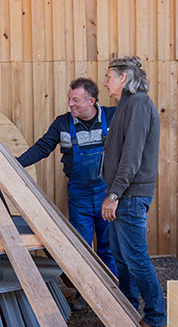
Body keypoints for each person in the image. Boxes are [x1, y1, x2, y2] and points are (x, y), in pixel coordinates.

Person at [17, 78, 118, 311]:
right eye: (69, 99)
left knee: (108, 248)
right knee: (81, 249)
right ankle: (86, 294)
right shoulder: (63, 123)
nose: (71, 104)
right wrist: (15, 163)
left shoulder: (113, 117)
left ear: (91, 100)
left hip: (107, 193)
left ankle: (113, 297)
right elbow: (42, 148)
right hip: (79, 195)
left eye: (76, 100)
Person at [101, 56, 167, 327]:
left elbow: (132, 156)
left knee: (136, 257)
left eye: (108, 77)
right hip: (123, 194)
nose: (105, 83)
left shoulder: (139, 105)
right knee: (122, 256)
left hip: (129, 195)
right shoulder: (126, 106)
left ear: (124, 78)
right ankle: (126, 310)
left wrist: (114, 194)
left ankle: (156, 317)